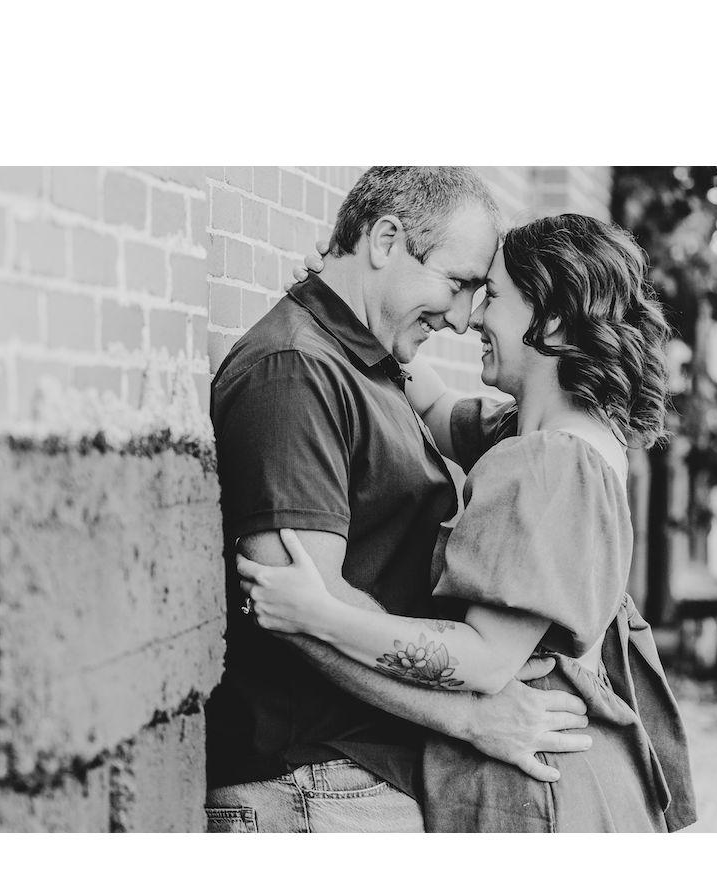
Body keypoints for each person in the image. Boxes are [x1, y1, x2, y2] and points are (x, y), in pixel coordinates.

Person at [238, 212, 697, 832]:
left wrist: (320, 614)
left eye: (494, 296)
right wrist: (355, 304)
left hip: (536, 789)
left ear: (551, 321)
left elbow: (484, 662)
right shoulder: (549, 435)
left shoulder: (552, 463)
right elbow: (434, 403)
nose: (474, 316)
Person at [205, 167, 595, 834]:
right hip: (311, 784)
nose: (462, 317)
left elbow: (499, 422)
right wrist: (469, 718)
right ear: (385, 241)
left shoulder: (372, 366)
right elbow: (297, 614)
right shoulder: (293, 371)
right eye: (458, 283)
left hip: (355, 781)